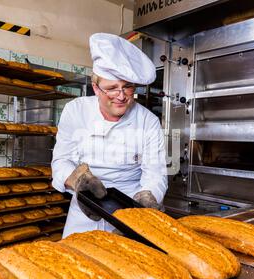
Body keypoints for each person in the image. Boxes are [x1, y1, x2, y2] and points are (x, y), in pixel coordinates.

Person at [51, 33, 168, 238]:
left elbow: (155, 173)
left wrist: (147, 198)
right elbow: (61, 160)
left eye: (127, 87)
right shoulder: (75, 111)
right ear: (96, 88)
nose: (121, 96)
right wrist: (77, 180)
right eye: (112, 89)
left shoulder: (148, 121)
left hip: (129, 211)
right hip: (83, 212)